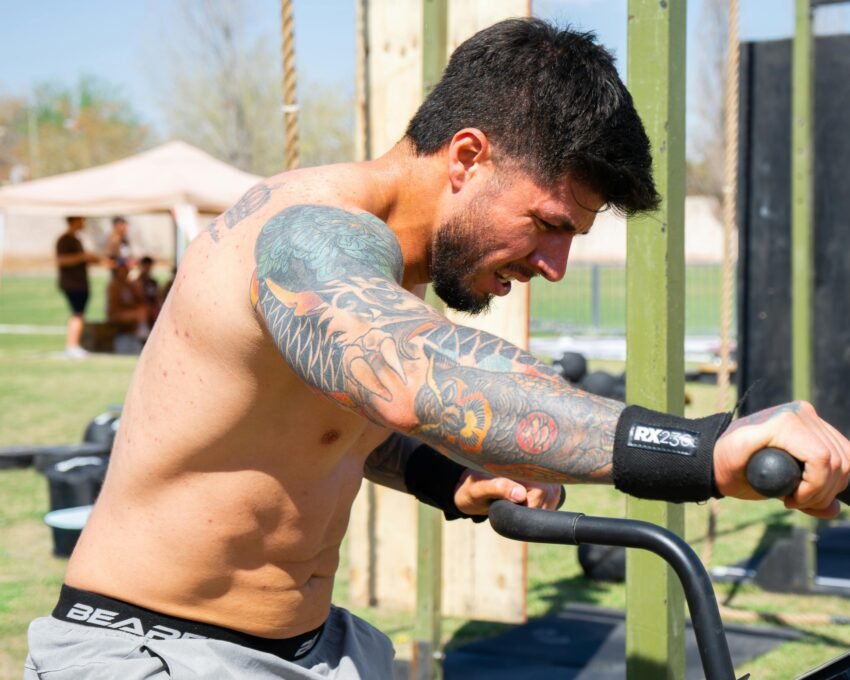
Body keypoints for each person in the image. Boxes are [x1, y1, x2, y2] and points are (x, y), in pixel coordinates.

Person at [26, 19, 849, 680]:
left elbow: (329, 416)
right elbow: (414, 381)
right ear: (467, 157)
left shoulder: (382, 265)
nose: (552, 267)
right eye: (551, 225)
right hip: (152, 650)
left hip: (308, 648)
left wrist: (443, 473)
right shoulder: (305, 233)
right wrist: (702, 449)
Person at [55, 216, 100, 359]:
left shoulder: (76, 240)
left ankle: (75, 345)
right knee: (77, 313)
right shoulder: (64, 240)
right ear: (74, 221)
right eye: (81, 220)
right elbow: (61, 260)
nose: (84, 223)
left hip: (81, 283)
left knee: (80, 313)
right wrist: (82, 257)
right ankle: (72, 346)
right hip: (72, 284)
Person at [106, 259, 150, 340]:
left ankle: (142, 332)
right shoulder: (114, 286)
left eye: (126, 271)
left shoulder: (129, 285)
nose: (124, 273)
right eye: (122, 271)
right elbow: (115, 306)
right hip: (117, 313)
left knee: (143, 309)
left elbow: (138, 300)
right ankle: (142, 334)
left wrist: (138, 288)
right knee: (139, 313)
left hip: (128, 310)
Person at [133, 255, 161, 326]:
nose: (147, 269)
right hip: (143, 309)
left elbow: (157, 296)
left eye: (149, 266)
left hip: (153, 309)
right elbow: (139, 297)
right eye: (145, 266)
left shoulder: (153, 282)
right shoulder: (138, 281)